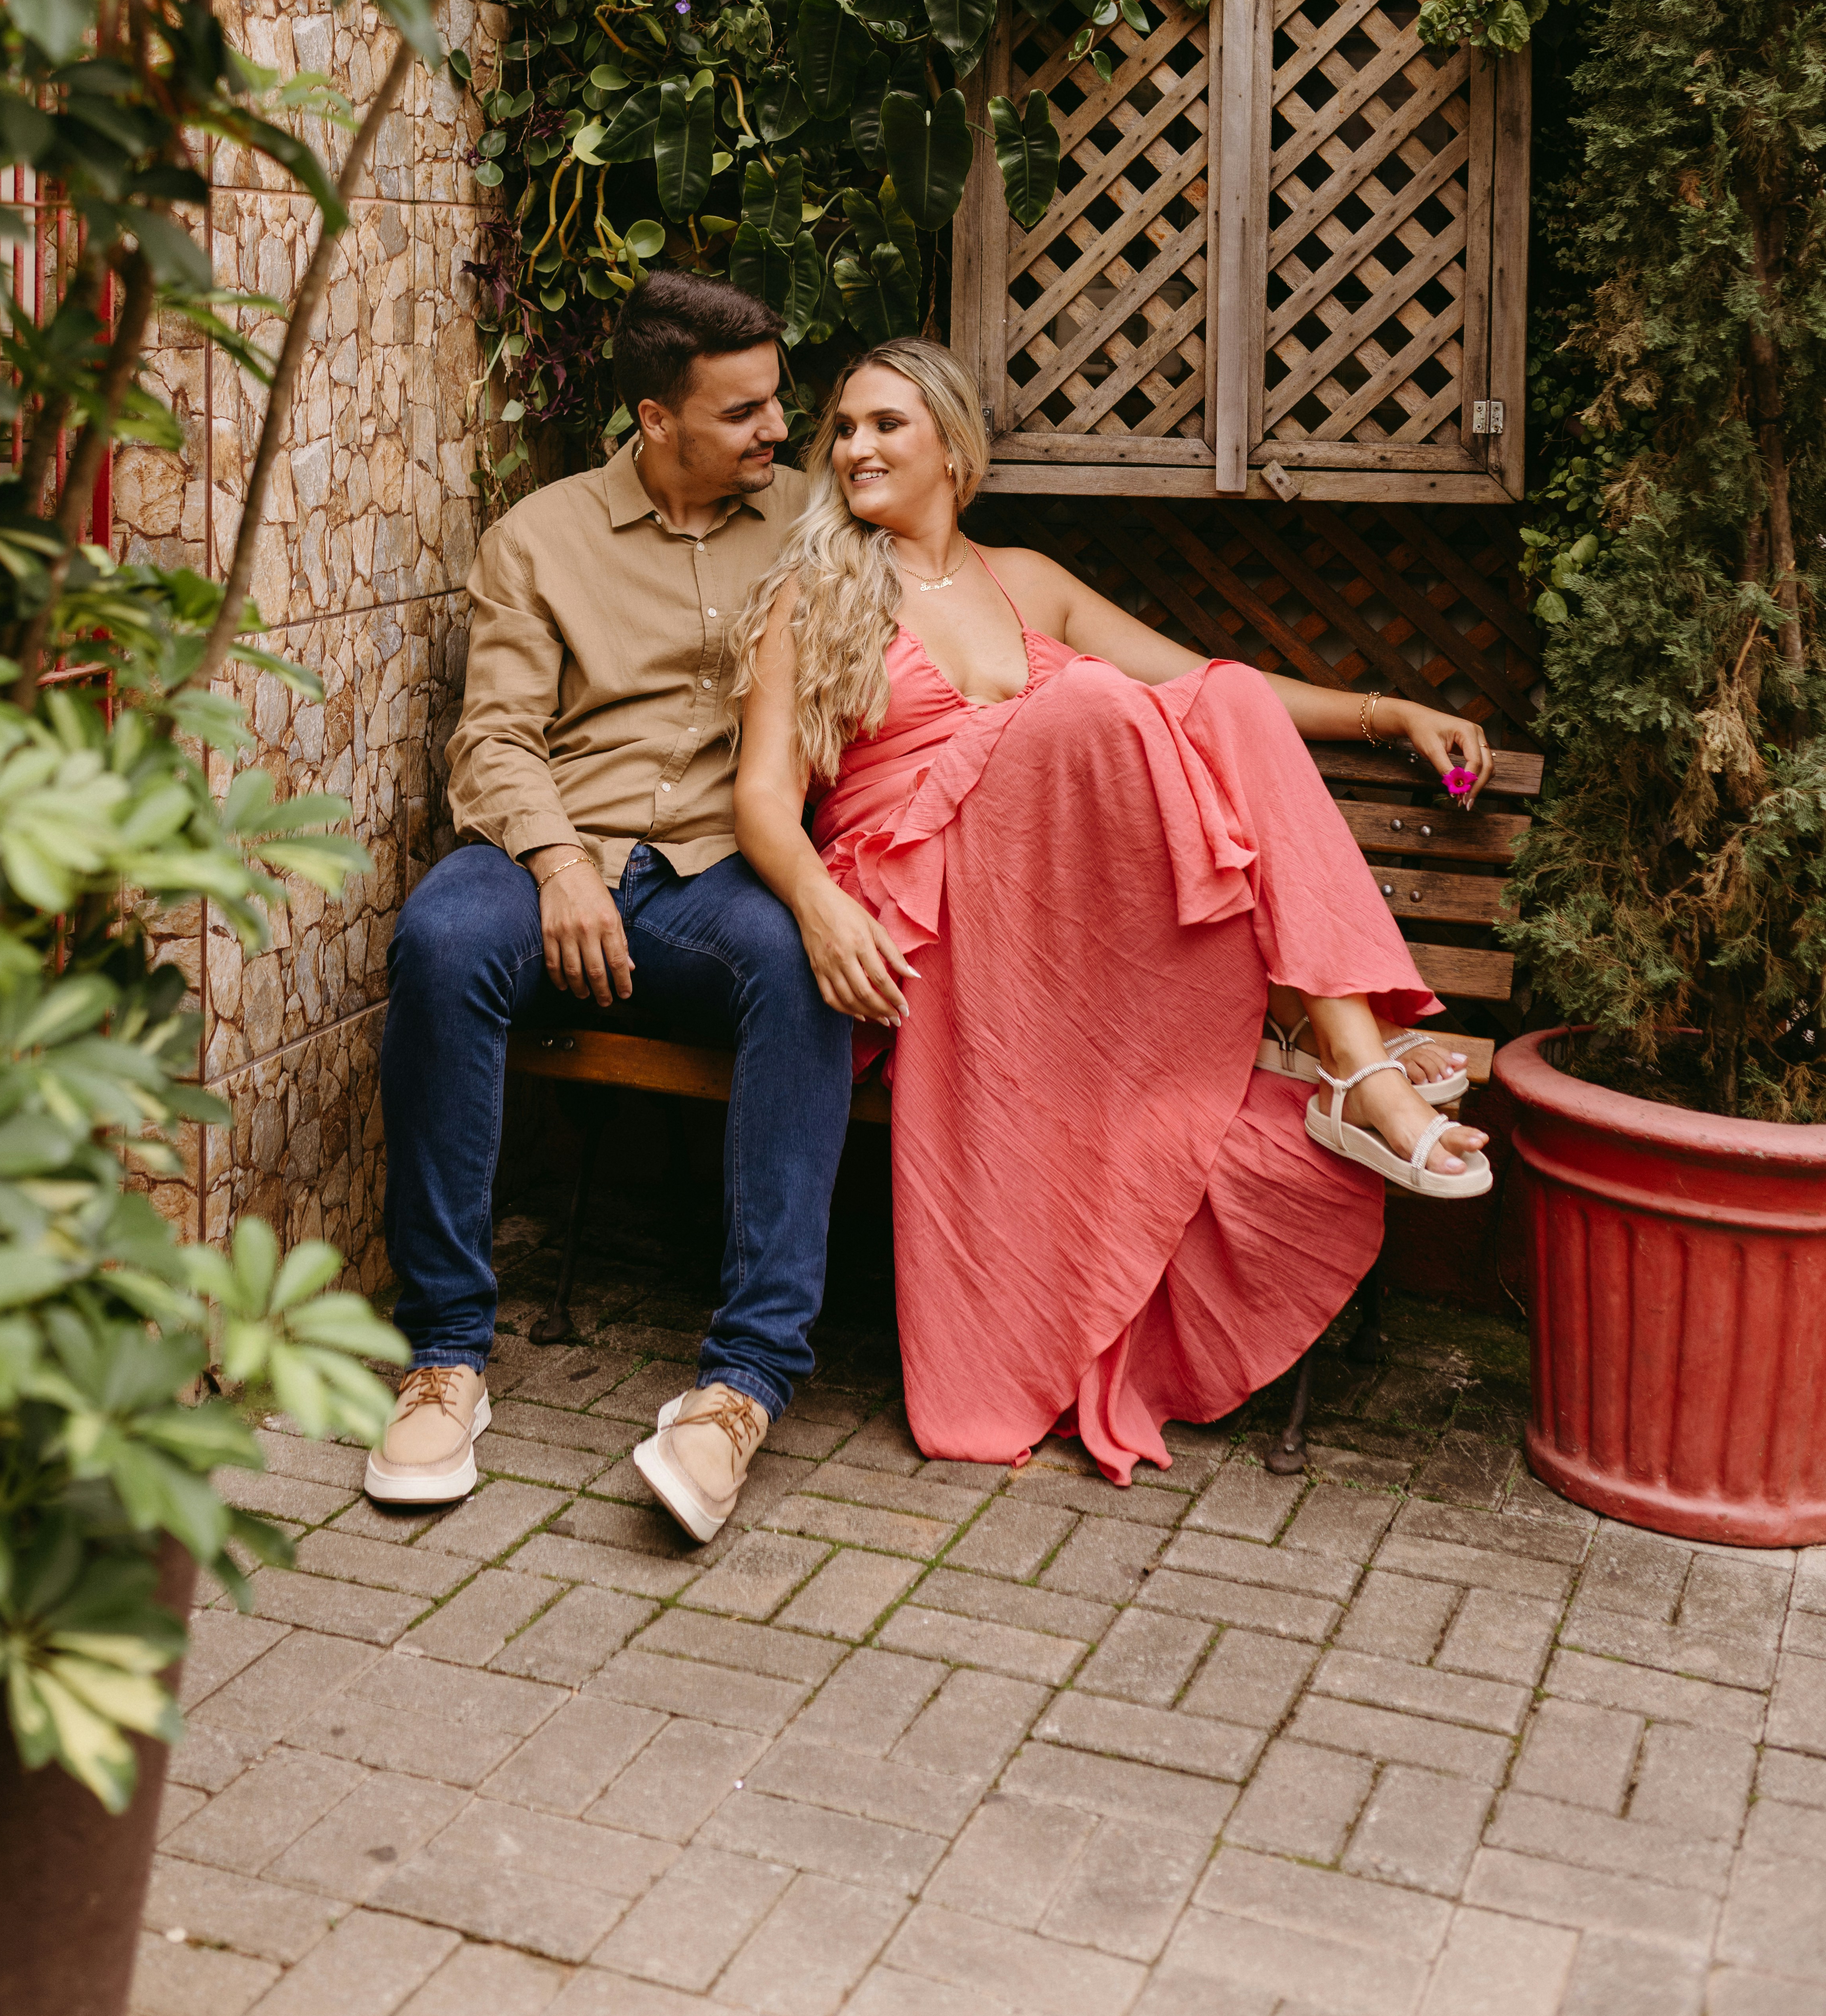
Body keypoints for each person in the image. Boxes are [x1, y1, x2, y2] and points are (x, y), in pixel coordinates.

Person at [731, 336, 1494, 1484]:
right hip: (926, 917)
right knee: (1087, 701)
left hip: (1063, 914)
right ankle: (1348, 1057)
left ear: (952, 445)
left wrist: (1385, 713)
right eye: (842, 429)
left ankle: (1346, 1055)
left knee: (1217, 693)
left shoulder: (1026, 581)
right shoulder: (820, 593)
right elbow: (761, 801)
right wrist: (819, 915)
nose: (853, 448)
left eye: (886, 424)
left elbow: (1202, 685)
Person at [370, 271, 856, 1546]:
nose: (778, 432)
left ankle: (741, 1388)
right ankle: (443, 1360)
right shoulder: (540, 537)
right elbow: (496, 740)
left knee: (801, 965)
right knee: (439, 940)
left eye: (777, 404)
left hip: (714, 872)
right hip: (550, 855)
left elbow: (979, 599)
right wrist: (560, 864)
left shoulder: (814, 523)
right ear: (656, 420)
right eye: (744, 411)